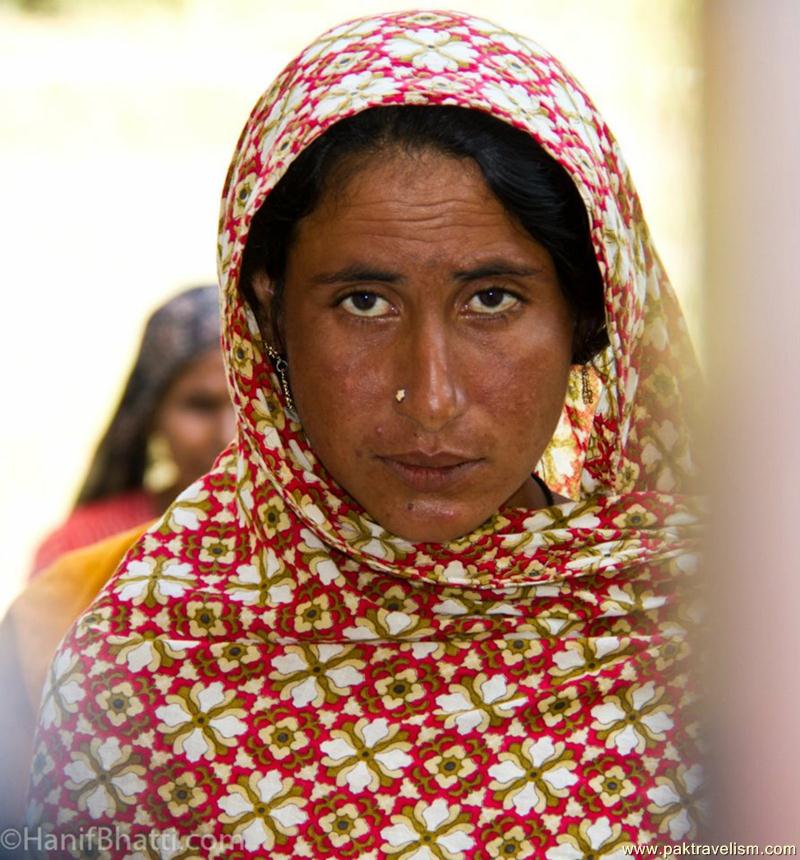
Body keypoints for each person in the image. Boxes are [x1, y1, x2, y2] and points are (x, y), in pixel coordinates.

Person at [27, 11, 702, 855]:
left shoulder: (708, 641)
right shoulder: (151, 660)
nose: (430, 398)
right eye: (363, 303)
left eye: (492, 299)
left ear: (589, 319)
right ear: (267, 313)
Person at [29, 284, 233, 577]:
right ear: (151, 416)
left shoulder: (307, 543)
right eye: (200, 405)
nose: (227, 436)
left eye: (246, 404)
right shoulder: (81, 547)